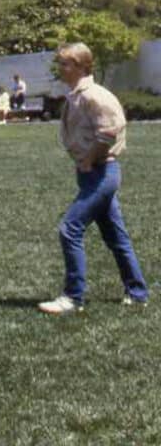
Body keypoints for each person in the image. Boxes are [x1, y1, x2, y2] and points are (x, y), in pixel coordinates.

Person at [37, 43, 149, 315]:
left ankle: (73, 297)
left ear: (81, 66)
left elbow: (109, 132)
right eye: (60, 63)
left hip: (101, 173)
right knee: (115, 236)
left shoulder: (95, 96)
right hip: (92, 174)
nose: (60, 68)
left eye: (65, 63)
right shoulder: (77, 95)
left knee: (70, 229)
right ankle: (137, 292)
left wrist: (88, 158)